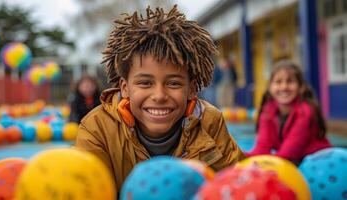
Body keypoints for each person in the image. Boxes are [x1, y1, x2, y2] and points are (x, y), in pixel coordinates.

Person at [74, 5, 245, 193]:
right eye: (145, 83)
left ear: (192, 89)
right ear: (125, 87)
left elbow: (239, 184)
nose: (159, 96)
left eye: (173, 84)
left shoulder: (209, 121)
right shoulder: (97, 129)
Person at [246, 60, 331, 165]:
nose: (284, 87)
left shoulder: (305, 112)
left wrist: (263, 164)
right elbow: (261, 149)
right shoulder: (267, 112)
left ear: (301, 87)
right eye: (278, 82)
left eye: (290, 81)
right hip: (293, 160)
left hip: (319, 164)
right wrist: (239, 158)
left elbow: (289, 153)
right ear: (270, 87)